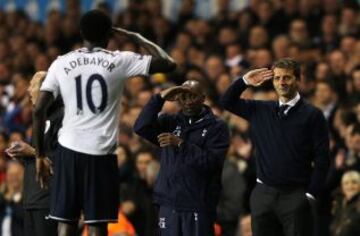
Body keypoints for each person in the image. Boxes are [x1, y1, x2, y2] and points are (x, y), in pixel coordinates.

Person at [32, 10, 176, 236]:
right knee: (97, 223)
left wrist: (40, 154)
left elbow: (39, 109)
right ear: (110, 34)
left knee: (65, 222)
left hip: (68, 150)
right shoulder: (119, 60)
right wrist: (136, 37)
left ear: (81, 33)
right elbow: (169, 63)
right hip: (101, 153)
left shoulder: (61, 62)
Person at [221, 58, 330, 236]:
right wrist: (244, 81)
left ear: (298, 80)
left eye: (287, 78)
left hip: (296, 194)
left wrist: (311, 195)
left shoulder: (313, 115)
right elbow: (226, 101)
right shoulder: (260, 110)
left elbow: (322, 158)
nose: (281, 82)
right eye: (277, 78)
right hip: (263, 194)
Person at [134, 80, 230, 236]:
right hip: (168, 202)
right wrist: (160, 98)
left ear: (203, 98)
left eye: (193, 96)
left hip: (197, 203)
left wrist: (180, 144)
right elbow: (141, 127)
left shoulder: (217, 127)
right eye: (184, 97)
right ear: (177, 99)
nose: (188, 102)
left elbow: (211, 163)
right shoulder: (170, 122)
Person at [5, 71, 60, 236]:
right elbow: (41, 160)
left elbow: (64, 160)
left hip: (49, 200)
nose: (29, 90)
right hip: (32, 200)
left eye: (33, 85)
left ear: (47, 89)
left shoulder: (61, 117)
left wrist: (32, 151)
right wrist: (25, 156)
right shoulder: (40, 120)